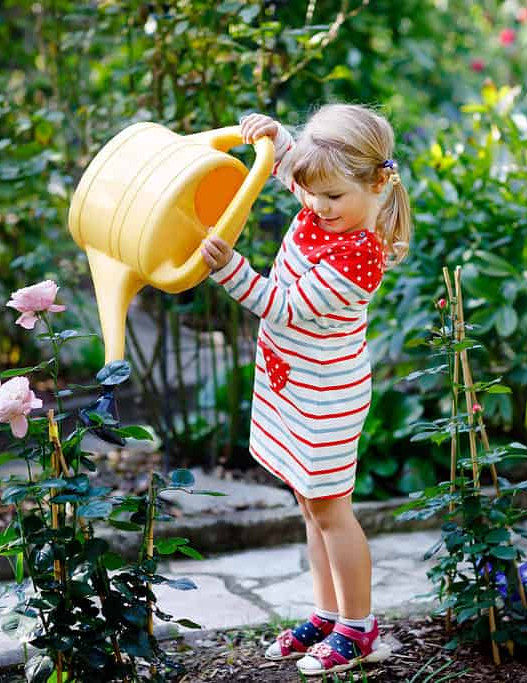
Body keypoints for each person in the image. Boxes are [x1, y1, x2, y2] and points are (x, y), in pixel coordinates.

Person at [199, 103, 413, 675]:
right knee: (310, 507)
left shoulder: (356, 254)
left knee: (332, 512)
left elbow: (287, 308)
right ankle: (327, 612)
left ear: (376, 185)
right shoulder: (329, 205)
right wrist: (277, 138)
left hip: (326, 399)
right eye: (312, 194)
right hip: (292, 387)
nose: (317, 205)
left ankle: (358, 625)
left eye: (333, 197)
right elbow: (301, 170)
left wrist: (231, 271)